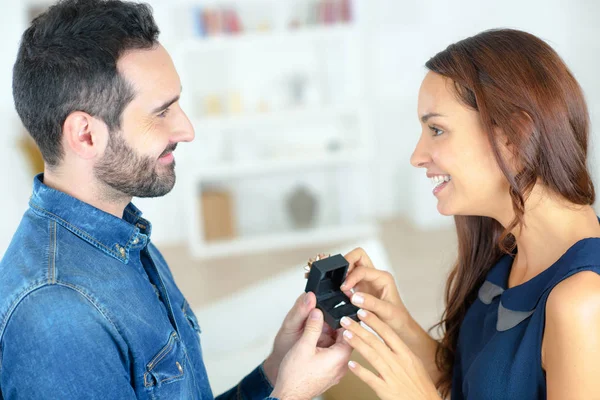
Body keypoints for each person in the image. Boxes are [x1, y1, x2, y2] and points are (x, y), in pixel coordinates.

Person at [0, 0, 352, 398]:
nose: (186, 129)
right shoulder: (57, 312)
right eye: (161, 111)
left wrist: (276, 369)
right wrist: (292, 394)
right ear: (85, 135)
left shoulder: (123, 238)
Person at [336, 29, 600, 399]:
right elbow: (476, 381)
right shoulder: (509, 250)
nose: (417, 155)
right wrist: (398, 322)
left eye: (437, 129)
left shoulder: (584, 303)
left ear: (515, 135)